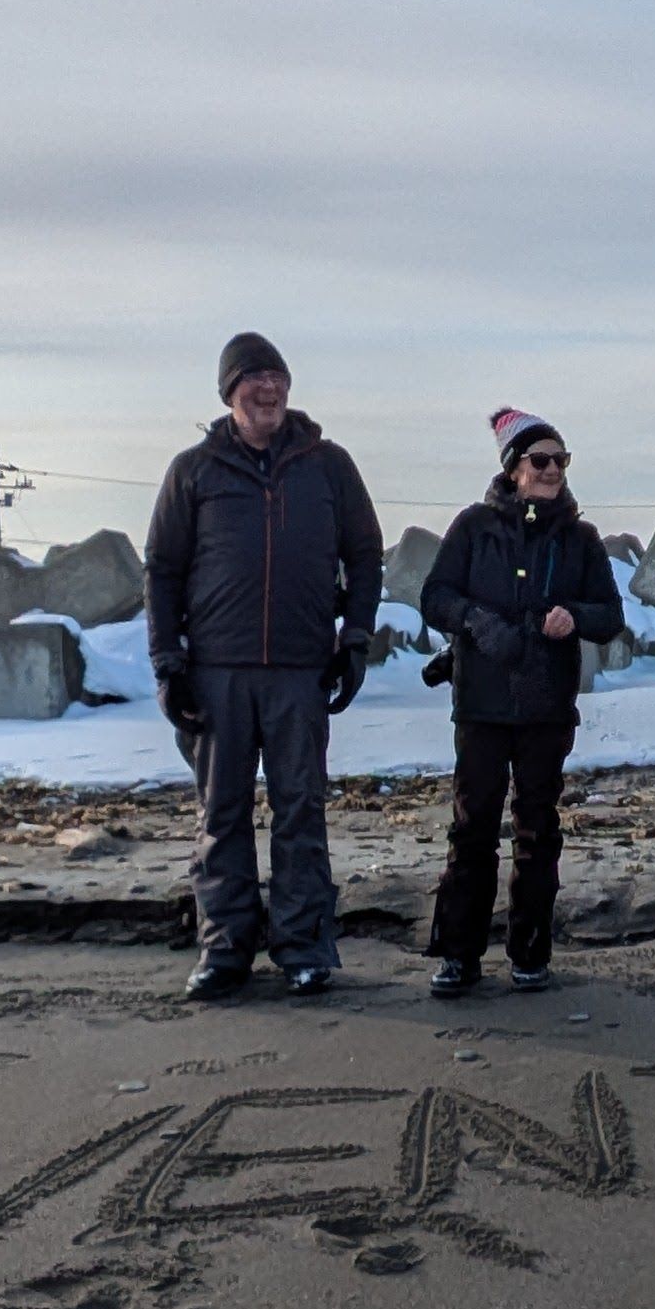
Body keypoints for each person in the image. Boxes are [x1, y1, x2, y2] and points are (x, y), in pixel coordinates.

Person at [143, 330, 382, 999]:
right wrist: (168, 664)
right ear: (230, 392)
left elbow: (366, 554)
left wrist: (354, 639)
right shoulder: (194, 470)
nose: (268, 388)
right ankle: (224, 952)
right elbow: (161, 570)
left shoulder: (329, 465)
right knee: (220, 815)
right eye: (254, 378)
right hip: (217, 673)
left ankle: (304, 948)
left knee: (300, 810)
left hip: (301, 671)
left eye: (277, 376)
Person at [413, 408, 624, 996]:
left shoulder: (581, 538)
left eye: (561, 459)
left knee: (538, 830)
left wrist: (573, 617)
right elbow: (434, 597)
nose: (553, 469)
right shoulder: (474, 526)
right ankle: (458, 955)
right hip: (480, 704)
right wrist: (478, 622)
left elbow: (611, 618)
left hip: (547, 707)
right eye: (541, 459)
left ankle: (530, 954)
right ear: (513, 469)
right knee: (472, 828)